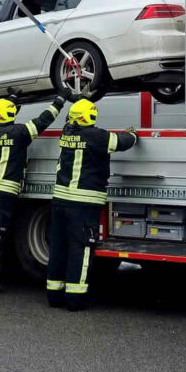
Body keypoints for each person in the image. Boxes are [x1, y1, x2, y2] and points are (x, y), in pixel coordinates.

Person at [46, 98, 137, 311]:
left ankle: (54, 296)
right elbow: (121, 143)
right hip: (83, 204)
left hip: (60, 201)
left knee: (58, 248)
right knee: (80, 249)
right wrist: (132, 134)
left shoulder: (66, 133)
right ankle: (74, 300)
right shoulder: (95, 136)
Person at [0, 95, 65, 293]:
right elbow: (43, 121)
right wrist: (59, 101)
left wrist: (12, 101)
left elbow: (7, 119)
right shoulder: (18, 133)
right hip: (3, 191)